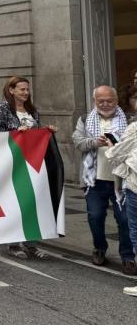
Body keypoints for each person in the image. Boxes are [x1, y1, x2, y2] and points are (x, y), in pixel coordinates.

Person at [71, 86, 135, 273]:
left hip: (121, 179)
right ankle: (99, 248)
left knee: (124, 219)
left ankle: (128, 256)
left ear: (116, 101)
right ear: (94, 101)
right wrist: (94, 142)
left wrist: (119, 145)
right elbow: (77, 142)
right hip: (94, 180)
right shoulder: (84, 119)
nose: (105, 104)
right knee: (95, 216)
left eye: (110, 101)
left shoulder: (130, 120)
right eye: (101, 101)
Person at [0, 76, 54, 260]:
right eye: (21, 89)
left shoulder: (32, 110)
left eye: (27, 89)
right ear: (11, 90)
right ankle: (13, 243)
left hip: (33, 162)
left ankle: (31, 244)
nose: (25, 93)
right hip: (12, 162)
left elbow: (38, 131)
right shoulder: (2, 109)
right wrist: (16, 132)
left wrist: (46, 131)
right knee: (14, 202)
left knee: (32, 202)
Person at [105, 120, 137, 296]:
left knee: (136, 231)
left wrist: (111, 146)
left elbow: (117, 154)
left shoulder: (134, 128)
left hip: (136, 186)